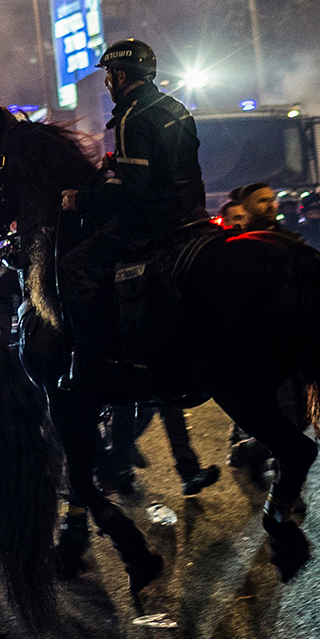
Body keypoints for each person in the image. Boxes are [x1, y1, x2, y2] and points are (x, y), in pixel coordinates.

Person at [57, 39, 207, 389]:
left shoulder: (130, 116)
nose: (108, 83)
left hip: (153, 220)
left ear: (122, 75)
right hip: (192, 211)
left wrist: (80, 200)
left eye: (109, 75)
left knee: (74, 266)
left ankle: (99, 357)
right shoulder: (175, 107)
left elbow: (131, 188)